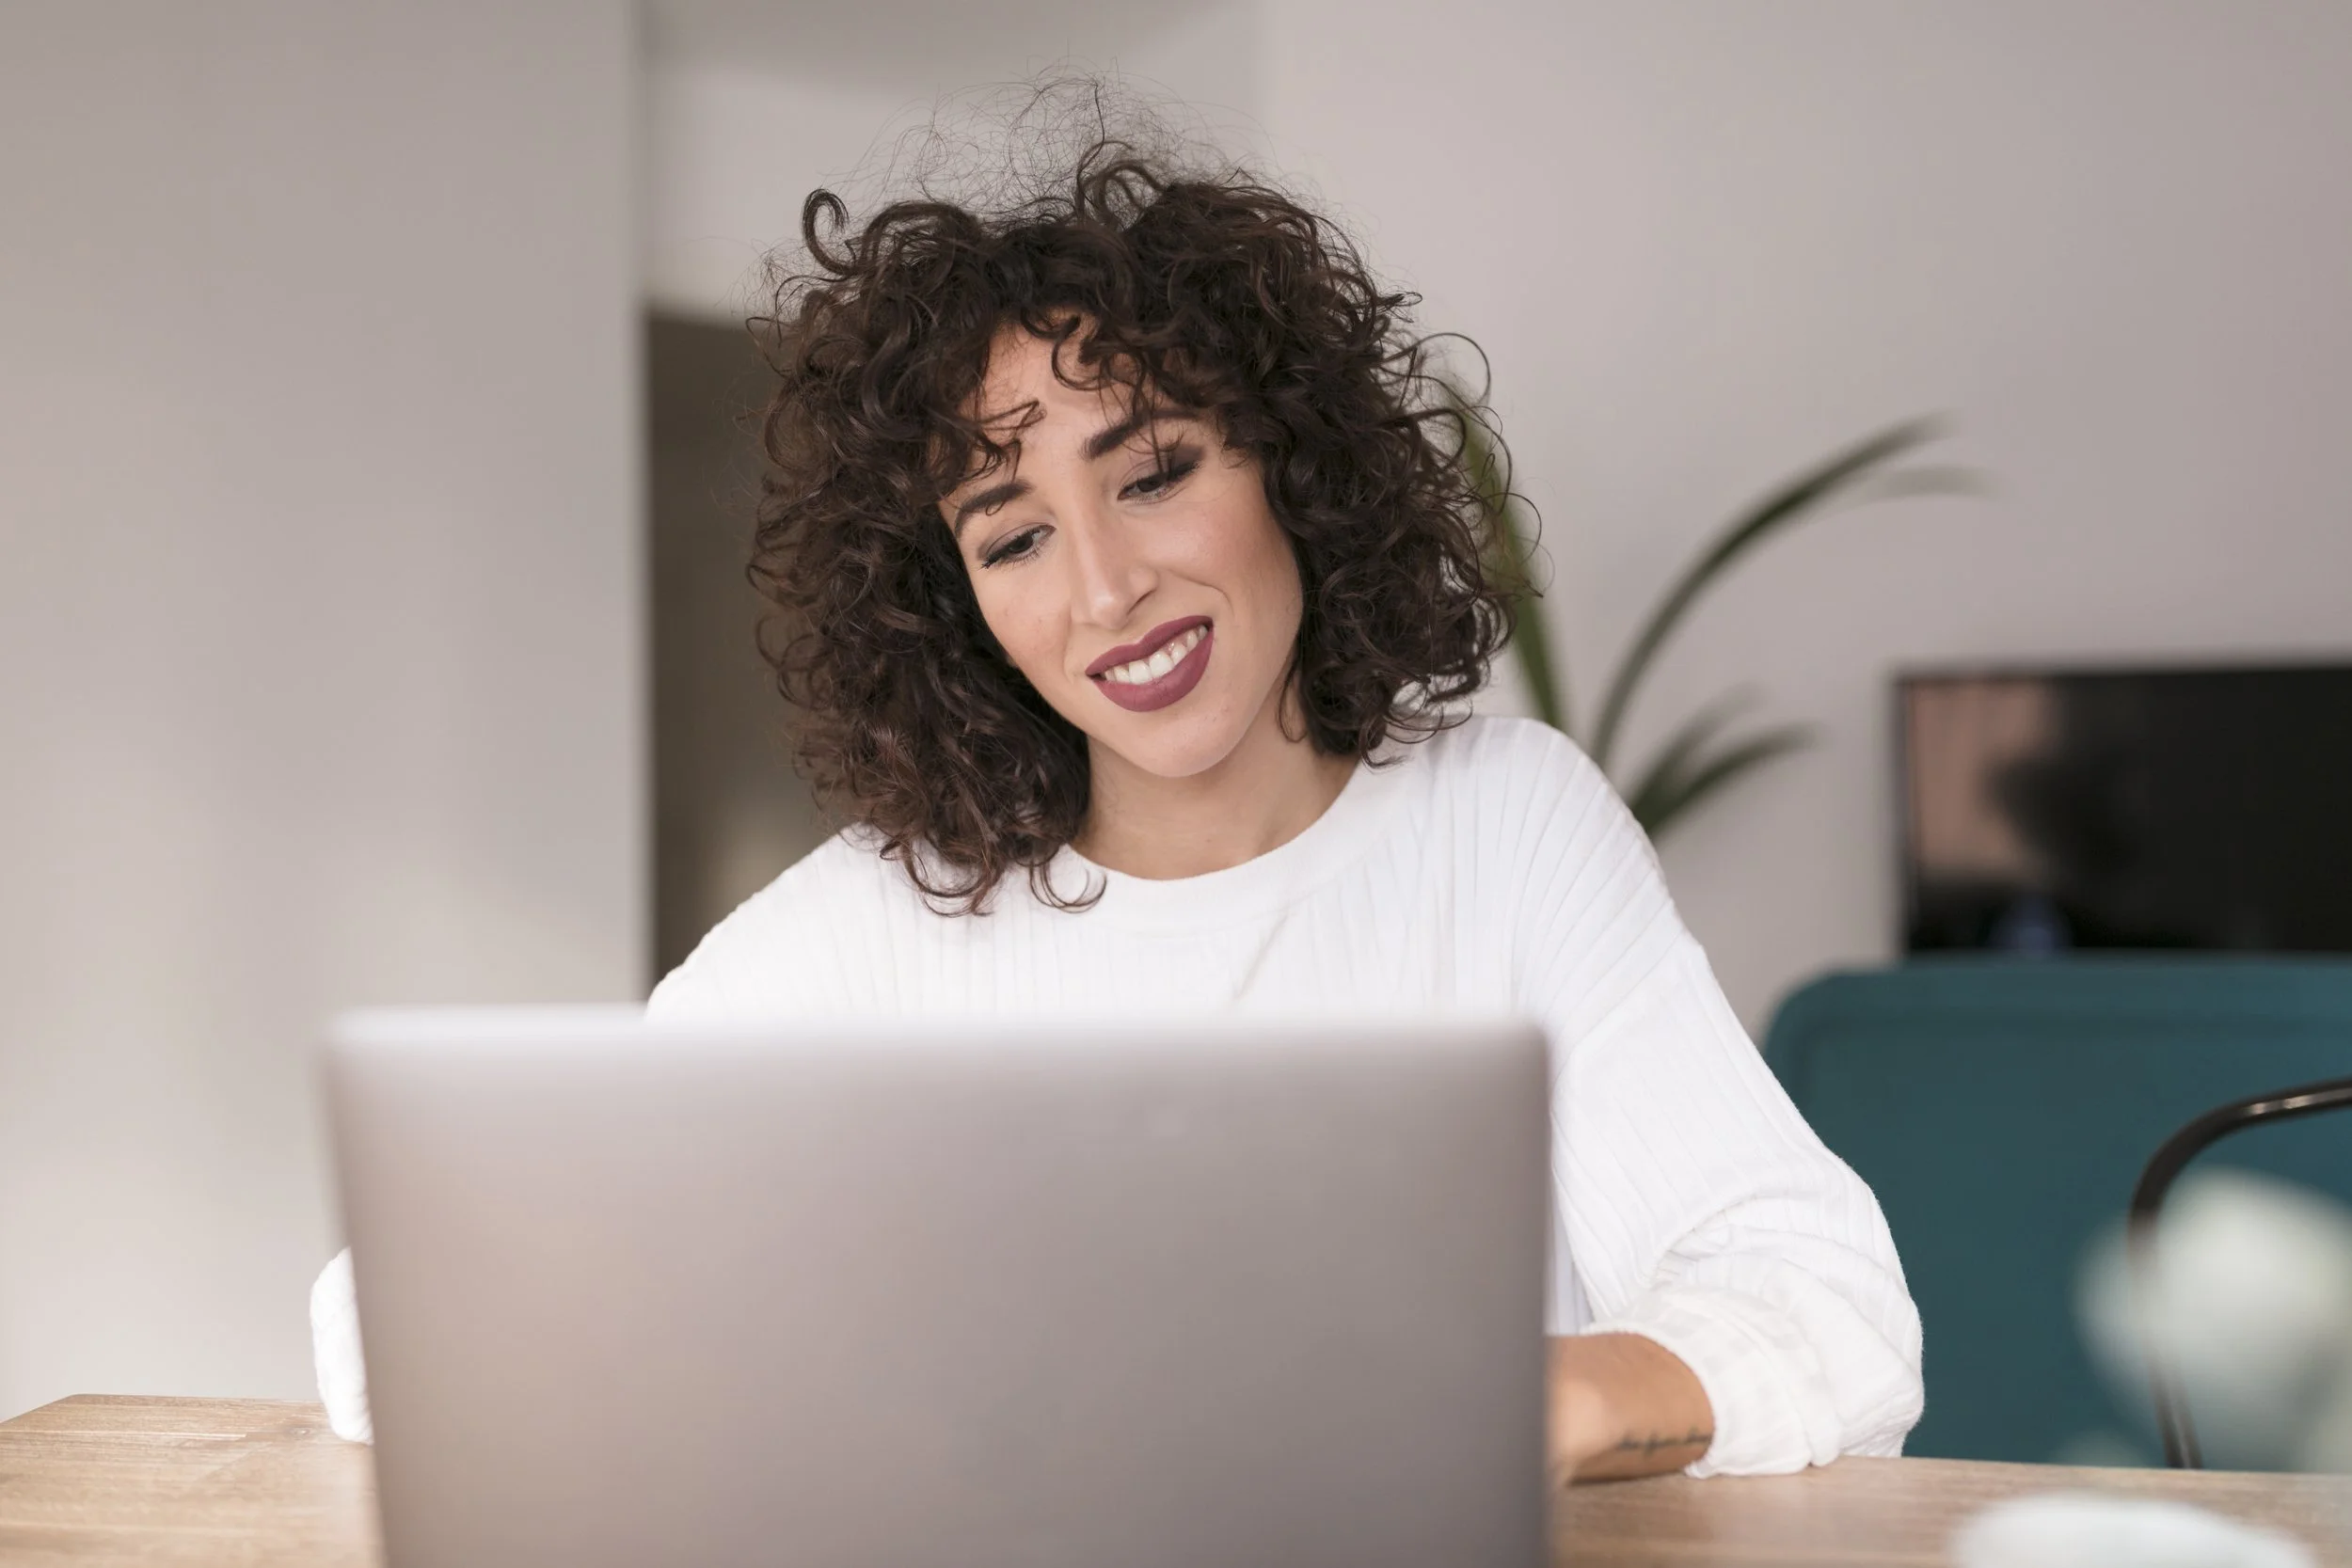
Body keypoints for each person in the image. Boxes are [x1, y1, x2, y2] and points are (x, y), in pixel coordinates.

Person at [311, 118, 1923, 1484]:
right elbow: (396, 1319)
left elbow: (1823, 1299)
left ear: (1292, 462)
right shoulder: (892, 913)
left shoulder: (1506, 828)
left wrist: (1514, 1399)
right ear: (959, 606)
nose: (1105, 590)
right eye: (1012, 538)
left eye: (1153, 472)